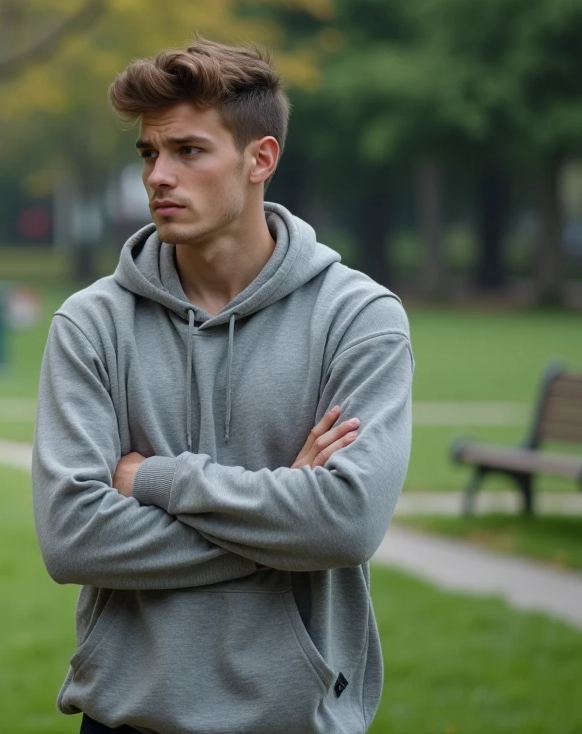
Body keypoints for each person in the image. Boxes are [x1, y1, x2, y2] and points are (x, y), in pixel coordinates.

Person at [31, 39, 413, 734]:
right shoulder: (91, 323)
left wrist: (156, 481)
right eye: (150, 154)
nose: (159, 176)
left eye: (189, 151)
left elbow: (346, 524)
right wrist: (284, 514)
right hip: (125, 720)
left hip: (296, 720)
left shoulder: (359, 318)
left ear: (260, 159)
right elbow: (72, 538)